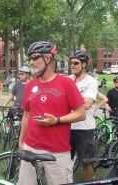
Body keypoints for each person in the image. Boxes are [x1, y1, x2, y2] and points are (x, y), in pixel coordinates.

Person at [18, 41, 86, 185]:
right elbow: (26, 115)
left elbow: (81, 113)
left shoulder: (66, 83)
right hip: (31, 148)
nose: (31, 62)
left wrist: (57, 120)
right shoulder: (30, 85)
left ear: (47, 59)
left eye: (35, 57)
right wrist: (21, 141)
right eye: (30, 58)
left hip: (58, 153)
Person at [69, 50, 98, 181]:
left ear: (84, 64)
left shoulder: (91, 82)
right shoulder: (67, 80)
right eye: (71, 63)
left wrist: (67, 102)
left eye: (76, 63)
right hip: (67, 127)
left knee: (86, 161)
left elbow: (86, 104)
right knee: (64, 161)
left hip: (84, 128)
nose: (73, 65)